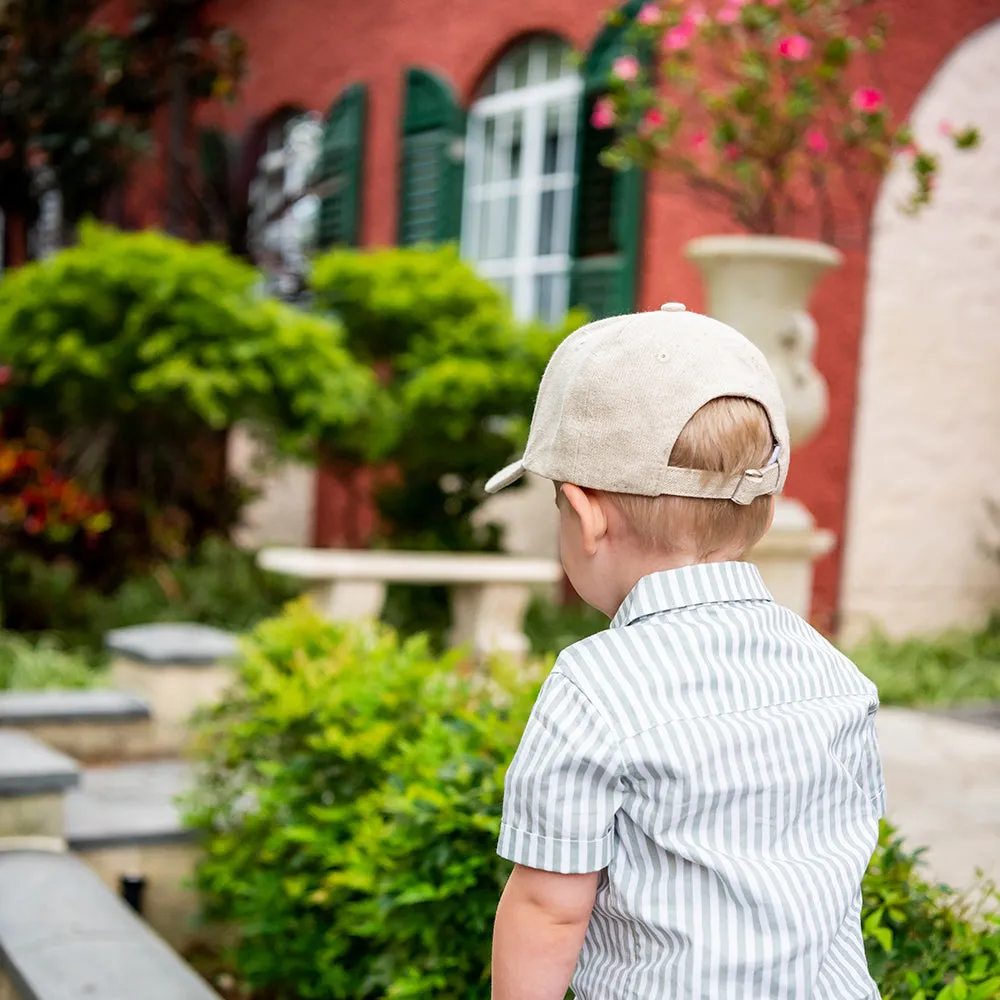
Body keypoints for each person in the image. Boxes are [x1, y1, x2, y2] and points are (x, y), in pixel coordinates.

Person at [485, 304, 886, 1000]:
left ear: (585, 517)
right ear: (760, 508)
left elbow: (550, 908)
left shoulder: (594, 688)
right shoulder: (834, 675)